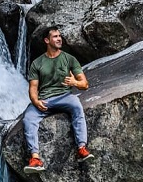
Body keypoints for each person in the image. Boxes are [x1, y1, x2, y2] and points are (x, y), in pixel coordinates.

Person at [23, 25, 94, 172]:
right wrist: (36, 101)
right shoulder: (37, 63)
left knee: (77, 106)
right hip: (45, 100)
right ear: (46, 40)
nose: (59, 38)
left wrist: (74, 82)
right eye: (55, 36)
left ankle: (81, 148)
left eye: (59, 36)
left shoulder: (69, 59)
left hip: (64, 96)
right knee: (28, 118)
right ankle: (35, 158)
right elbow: (33, 88)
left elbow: (84, 84)